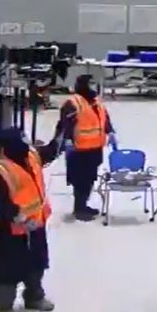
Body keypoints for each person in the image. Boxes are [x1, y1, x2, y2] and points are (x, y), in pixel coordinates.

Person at [0, 127, 62, 312]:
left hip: (36, 223)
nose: (24, 144)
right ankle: (4, 307)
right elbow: (1, 203)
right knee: (9, 267)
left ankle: (34, 297)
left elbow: (48, 153)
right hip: (11, 229)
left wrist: (61, 137)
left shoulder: (30, 155)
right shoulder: (1, 172)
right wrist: (20, 218)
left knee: (37, 261)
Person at [56, 74, 118, 221]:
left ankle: (84, 205)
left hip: (95, 148)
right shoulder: (72, 103)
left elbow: (104, 119)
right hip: (78, 149)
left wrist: (111, 132)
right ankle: (79, 209)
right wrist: (66, 140)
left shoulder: (97, 102)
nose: (94, 87)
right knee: (79, 180)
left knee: (90, 178)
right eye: (90, 84)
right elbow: (65, 124)